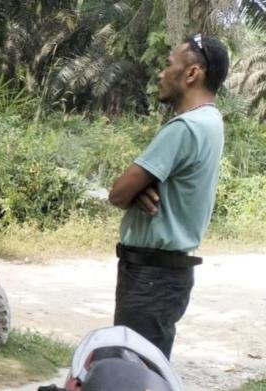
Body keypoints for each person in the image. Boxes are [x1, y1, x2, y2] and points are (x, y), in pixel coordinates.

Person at [108, 33, 229, 359]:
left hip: (150, 276)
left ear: (191, 73)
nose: (160, 74)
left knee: (132, 372)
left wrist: (131, 193)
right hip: (169, 277)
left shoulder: (184, 128)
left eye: (167, 65)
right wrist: (138, 193)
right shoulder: (212, 122)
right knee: (146, 367)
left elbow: (118, 193)